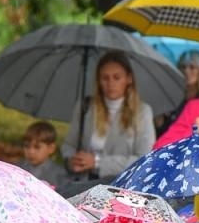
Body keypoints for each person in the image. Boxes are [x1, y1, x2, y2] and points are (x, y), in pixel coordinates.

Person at [61, 51, 155, 181]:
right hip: (83, 185)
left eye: (117, 77)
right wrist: (72, 160)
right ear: (98, 80)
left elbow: (144, 158)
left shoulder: (142, 112)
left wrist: (97, 162)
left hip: (121, 187)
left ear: (129, 79)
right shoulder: (85, 107)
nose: (110, 83)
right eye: (105, 78)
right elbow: (68, 145)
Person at [16, 121, 69, 189]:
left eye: (37, 147)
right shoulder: (18, 167)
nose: (31, 151)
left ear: (51, 148)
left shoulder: (59, 174)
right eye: (27, 146)